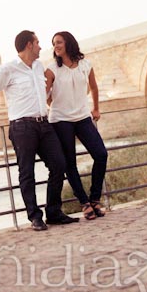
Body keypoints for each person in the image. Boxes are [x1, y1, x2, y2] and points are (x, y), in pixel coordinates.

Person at [0, 30, 78, 231]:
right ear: (29, 45)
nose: (41, 46)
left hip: (44, 123)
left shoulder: (38, 66)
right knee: (27, 173)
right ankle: (35, 216)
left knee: (59, 164)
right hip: (22, 127)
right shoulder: (8, 69)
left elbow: (45, 93)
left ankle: (54, 212)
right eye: (38, 42)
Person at [45, 31, 108, 221]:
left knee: (101, 154)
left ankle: (95, 199)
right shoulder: (50, 70)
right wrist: (58, 108)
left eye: (59, 42)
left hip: (83, 117)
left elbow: (94, 87)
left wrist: (95, 109)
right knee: (69, 163)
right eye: (54, 43)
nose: (56, 46)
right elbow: (45, 96)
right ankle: (85, 203)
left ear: (69, 43)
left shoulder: (85, 65)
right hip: (60, 120)